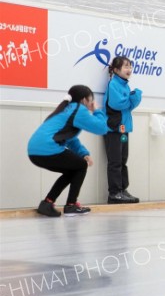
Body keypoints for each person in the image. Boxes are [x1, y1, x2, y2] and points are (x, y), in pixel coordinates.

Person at [28, 85, 110, 217]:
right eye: (91, 100)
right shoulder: (79, 109)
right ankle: (71, 205)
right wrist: (97, 110)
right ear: (84, 100)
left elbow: (70, 139)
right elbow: (102, 128)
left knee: (73, 170)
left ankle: (47, 203)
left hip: (34, 151)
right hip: (48, 148)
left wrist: (84, 153)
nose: (91, 103)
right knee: (81, 166)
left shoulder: (65, 109)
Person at [103, 56, 143, 204]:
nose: (129, 69)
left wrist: (135, 97)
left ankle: (122, 190)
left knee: (122, 159)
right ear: (116, 70)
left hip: (123, 129)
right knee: (115, 161)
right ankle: (114, 193)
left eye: (130, 66)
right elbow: (117, 104)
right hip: (113, 129)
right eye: (126, 66)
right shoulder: (113, 84)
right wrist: (133, 97)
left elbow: (128, 106)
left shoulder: (125, 86)